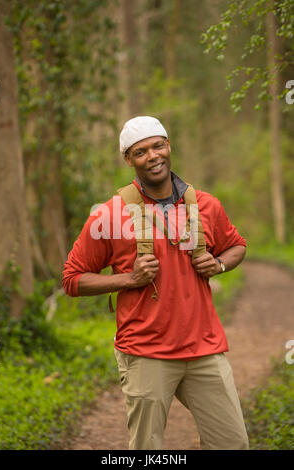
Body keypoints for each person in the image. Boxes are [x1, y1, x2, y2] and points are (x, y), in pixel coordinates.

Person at [62, 116, 249, 450]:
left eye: (157, 146)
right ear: (128, 160)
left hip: (204, 348)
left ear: (168, 146)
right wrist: (129, 279)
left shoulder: (206, 205)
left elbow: (237, 245)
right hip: (146, 352)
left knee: (232, 443)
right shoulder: (110, 213)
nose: (152, 156)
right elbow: (72, 279)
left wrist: (219, 263)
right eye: (140, 151)